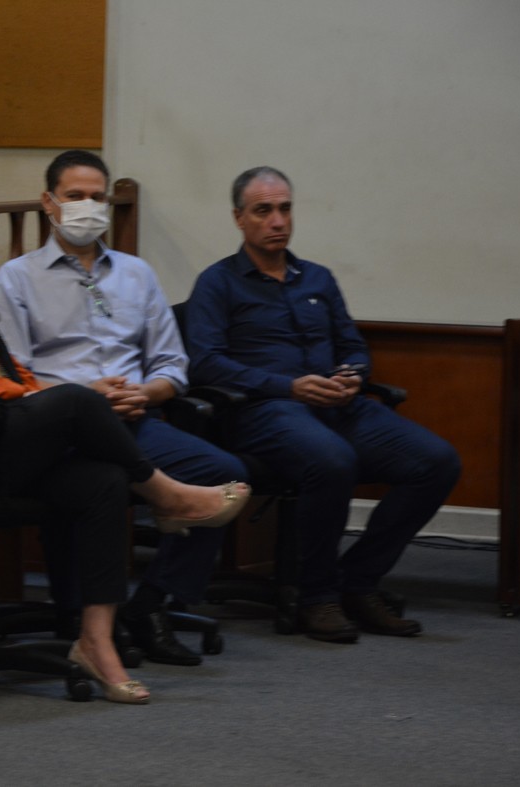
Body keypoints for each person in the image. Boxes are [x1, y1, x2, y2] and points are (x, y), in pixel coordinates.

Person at [0, 177, 251, 704]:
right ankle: (167, 496)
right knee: (77, 400)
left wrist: (26, 391)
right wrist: (27, 395)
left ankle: (95, 641)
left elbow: (7, 368)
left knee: (103, 479)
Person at [0, 150, 249, 667]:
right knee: (98, 480)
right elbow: (11, 376)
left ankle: (151, 606)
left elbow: (172, 363)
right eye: (74, 196)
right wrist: (85, 394)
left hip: (134, 420)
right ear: (48, 203)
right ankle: (79, 618)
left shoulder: (136, 274)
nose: (88, 206)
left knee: (224, 474)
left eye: (96, 197)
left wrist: (146, 393)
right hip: (60, 431)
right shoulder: (16, 278)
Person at [186, 167, 461, 643]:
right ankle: (317, 597)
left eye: (285, 209)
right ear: (238, 218)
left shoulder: (317, 278)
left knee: (437, 462)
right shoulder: (217, 283)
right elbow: (206, 363)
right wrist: (288, 387)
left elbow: (352, 345)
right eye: (263, 210)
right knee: (333, 460)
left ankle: (358, 581)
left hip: (338, 406)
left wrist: (352, 374)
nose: (278, 221)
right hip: (265, 410)